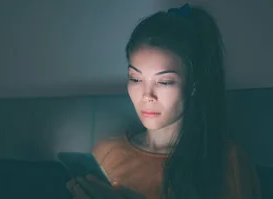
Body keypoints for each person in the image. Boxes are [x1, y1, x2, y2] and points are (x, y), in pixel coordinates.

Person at [66, 3, 261, 199]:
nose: (147, 95)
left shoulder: (227, 162)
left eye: (164, 82)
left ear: (193, 84)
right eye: (135, 79)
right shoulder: (105, 152)